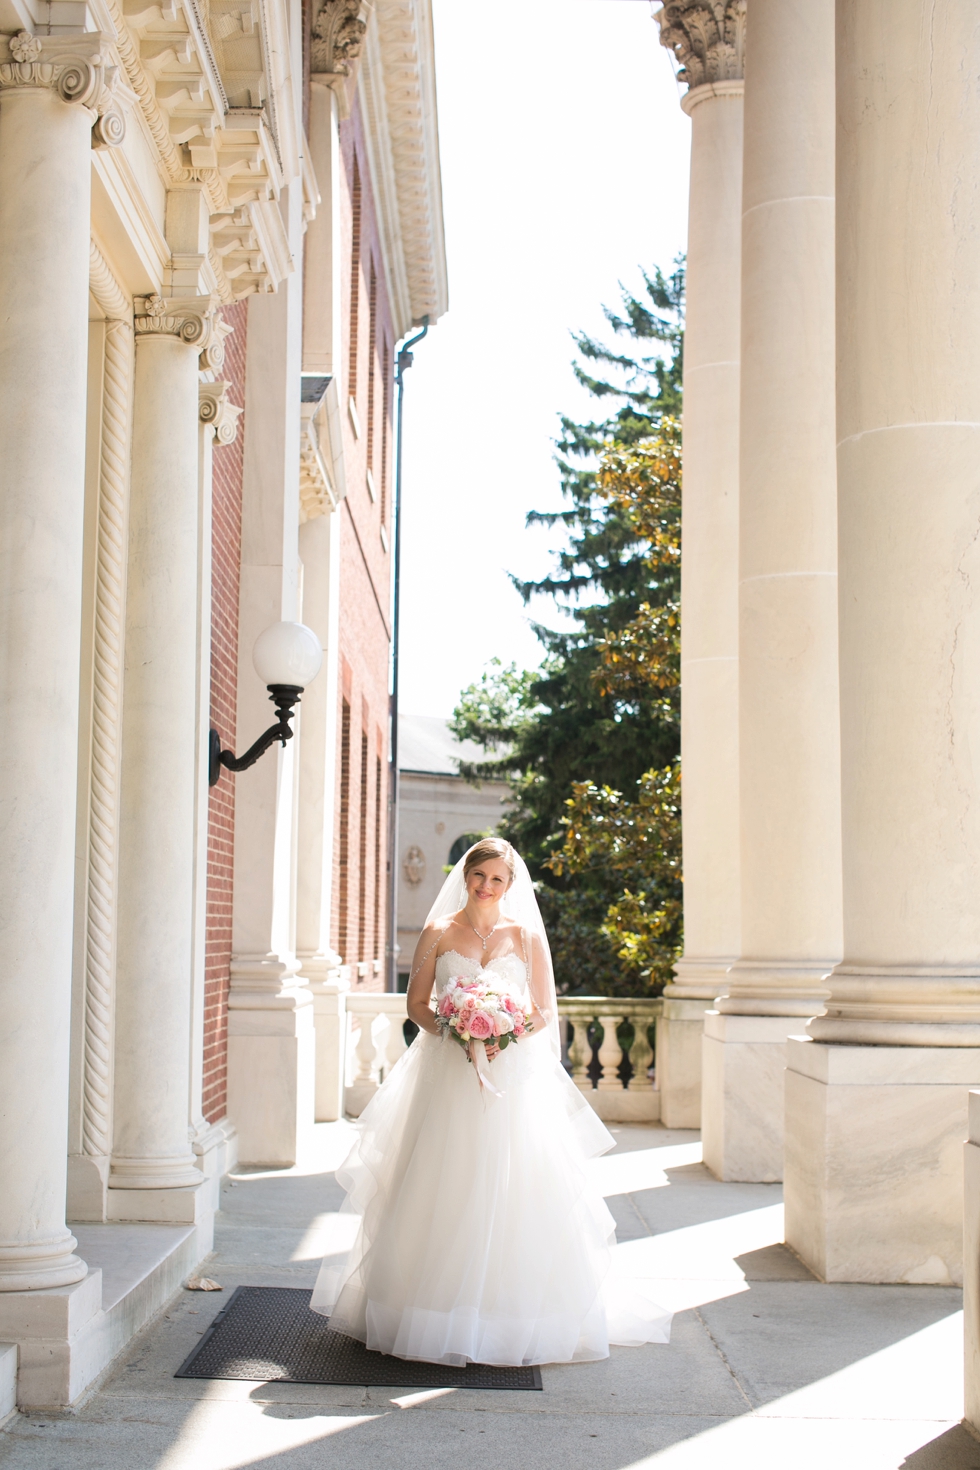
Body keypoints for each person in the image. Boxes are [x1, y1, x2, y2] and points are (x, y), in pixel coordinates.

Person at [311, 837, 671, 1367]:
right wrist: (457, 1031)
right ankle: (424, 1313)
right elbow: (417, 1005)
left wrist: (501, 1034)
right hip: (447, 1076)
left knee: (516, 1185)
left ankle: (509, 1318)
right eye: (479, 875)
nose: (486, 886)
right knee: (441, 1184)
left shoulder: (525, 938)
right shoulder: (437, 932)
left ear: (510, 884)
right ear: (466, 875)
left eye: (497, 879)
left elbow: (545, 1009)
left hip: (514, 1079)